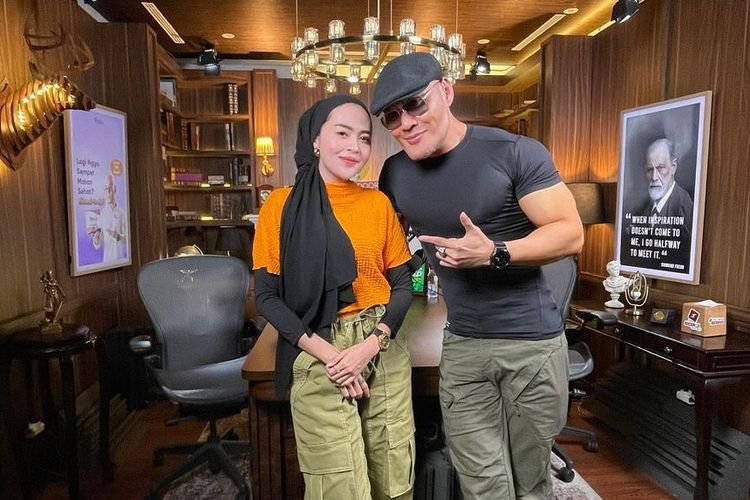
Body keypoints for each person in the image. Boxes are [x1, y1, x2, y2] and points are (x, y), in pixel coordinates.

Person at [372, 52, 584, 500]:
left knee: (529, 485)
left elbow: (570, 233)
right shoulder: (396, 173)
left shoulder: (514, 152)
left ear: (446, 92)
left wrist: (495, 253)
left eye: (416, 104)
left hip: (531, 346)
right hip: (463, 345)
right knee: (482, 486)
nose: (406, 122)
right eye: (391, 116)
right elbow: (384, 246)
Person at [252, 95, 416, 500]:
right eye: (342, 133)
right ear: (315, 139)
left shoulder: (378, 204)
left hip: (379, 342)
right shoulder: (280, 206)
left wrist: (371, 345)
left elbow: (402, 286)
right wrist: (334, 358)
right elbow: (267, 298)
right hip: (316, 345)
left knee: (394, 476)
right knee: (339, 486)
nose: (354, 147)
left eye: (364, 138)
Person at [638, 138, 693, 229]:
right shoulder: (643, 210)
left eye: (660, 168)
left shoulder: (685, 208)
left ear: (673, 167)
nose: (654, 177)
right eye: (650, 170)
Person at [92, 174, 127, 262]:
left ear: (114, 189)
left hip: (120, 261)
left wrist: (117, 236)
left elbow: (126, 240)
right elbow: (98, 244)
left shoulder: (122, 213)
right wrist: (96, 240)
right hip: (107, 262)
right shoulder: (102, 215)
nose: (108, 192)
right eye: (105, 188)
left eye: (110, 188)